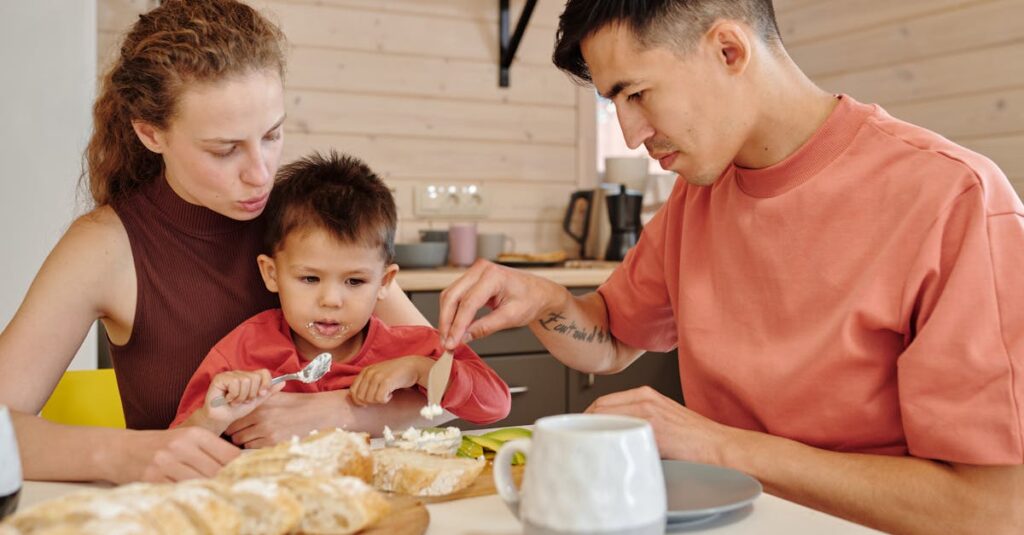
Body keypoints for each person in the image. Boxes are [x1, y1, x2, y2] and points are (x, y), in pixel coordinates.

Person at [436, 0, 1024, 532]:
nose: (632, 134)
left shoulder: (953, 198)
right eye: (613, 103)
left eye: (637, 94)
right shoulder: (699, 192)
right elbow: (611, 339)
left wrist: (720, 447)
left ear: (728, 50)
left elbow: (991, 509)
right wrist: (547, 301)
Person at [0, 0, 433, 484]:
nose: (260, 173)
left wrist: (334, 412)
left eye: (272, 135)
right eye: (224, 150)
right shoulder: (105, 247)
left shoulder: (308, 221)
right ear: (150, 133)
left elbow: (451, 389)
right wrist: (129, 454)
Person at [171, 151, 510, 434]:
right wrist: (215, 417)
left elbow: (496, 403)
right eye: (309, 279)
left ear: (385, 282)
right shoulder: (243, 352)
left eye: (354, 282)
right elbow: (178, 444)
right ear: (271, 274)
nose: (331, 300)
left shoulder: (412, 348)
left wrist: (420, 369)